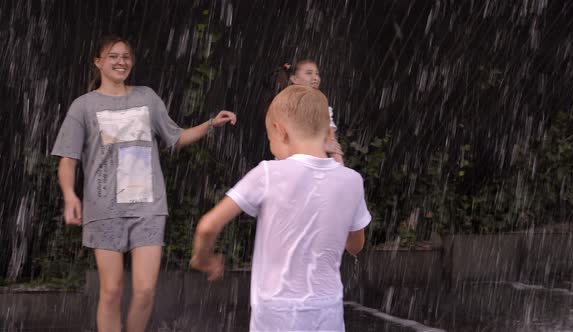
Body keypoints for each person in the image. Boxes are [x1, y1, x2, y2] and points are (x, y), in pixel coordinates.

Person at [51, 34, 236, 332]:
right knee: (111, 292)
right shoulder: (83, 106)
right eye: (113, 56)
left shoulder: (146, 97)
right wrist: (70, 196)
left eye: (125, 56)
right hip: (104, 208)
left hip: (148, 206)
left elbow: (176, 137)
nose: (120, 62)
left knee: (146, 291)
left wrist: (211, 123)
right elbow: (68, 159)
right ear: (98, 62)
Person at [190, 85, 371, 331]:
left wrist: (205, 259)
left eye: (269, 138)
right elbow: (355, 245)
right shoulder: (351, 181)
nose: (271, 145)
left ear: (279, 130)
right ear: (329, 133)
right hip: (327, 312)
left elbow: (207, 226)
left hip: (276, 313)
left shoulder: (268, 173)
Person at [272, 60, 345, 163]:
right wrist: (321, 146)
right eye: (309, 73)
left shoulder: (323, 108)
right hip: (290, 167)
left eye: (317, 74)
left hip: (316, 168)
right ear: (294, 79)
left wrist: (340, 171)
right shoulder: (286, 105)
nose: (315, 78)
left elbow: (333, 146)